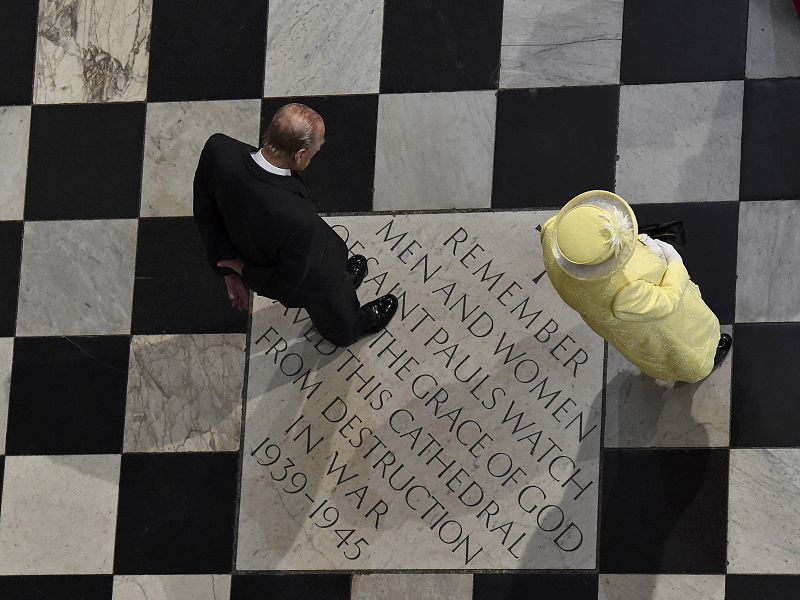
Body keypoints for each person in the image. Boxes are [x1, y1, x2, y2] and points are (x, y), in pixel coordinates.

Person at [193, 103, 397, 346]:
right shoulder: (296, 218)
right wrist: (241, 269)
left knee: (339, 276)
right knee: (334, 307)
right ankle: (350, 327)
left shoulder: (219, 149)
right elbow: (286, 283)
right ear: (299, 155)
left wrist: (225, 267)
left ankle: (344, 281)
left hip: (277, 244)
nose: (314, 155)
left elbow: (206, 213)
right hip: (314, 276)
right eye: (314, 152)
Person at [540, 190, 732, 383]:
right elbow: (668, 301)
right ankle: (705, 359)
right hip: (656, 324)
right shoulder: (625, 290)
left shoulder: (553, 236)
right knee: (682, 346)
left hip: (609, 318)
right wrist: (674, 262)